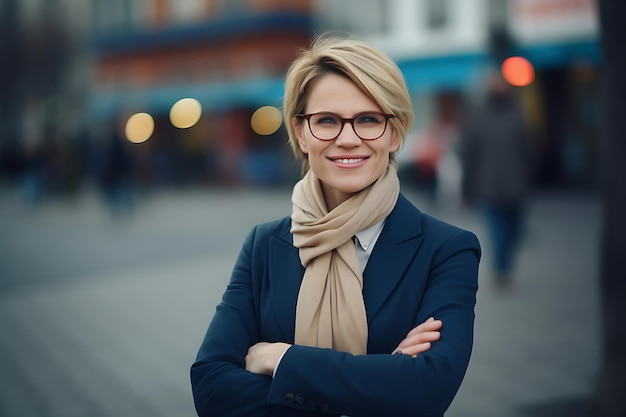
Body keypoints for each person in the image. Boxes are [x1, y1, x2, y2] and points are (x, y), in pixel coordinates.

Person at [191, 34, 481, 417]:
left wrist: (283, 361)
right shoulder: (264, 244)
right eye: (326, 120)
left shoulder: (446, 250)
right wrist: (380, 380)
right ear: (300, 132)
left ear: (395, 133)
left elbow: (427, 388)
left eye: (368, 120)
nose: (348, 139)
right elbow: (212, 388)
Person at [461, 71, 533, 287]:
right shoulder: (505, 116)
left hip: (506, 186)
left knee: (511, 230)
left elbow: (527, 151)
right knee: (501, 230)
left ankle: (504, 267)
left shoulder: (513, 115)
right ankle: (503, 270)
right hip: (495, 186)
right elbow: (469, 154)